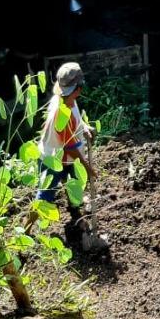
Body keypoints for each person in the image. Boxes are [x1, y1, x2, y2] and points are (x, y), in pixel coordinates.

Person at [34, 63, 98, 240]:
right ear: (79, 88)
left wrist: (84, 127)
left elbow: (76, 122)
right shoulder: (61, 112)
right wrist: (87, 167)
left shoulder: (68, 100)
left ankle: (75, 210)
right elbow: (69, 146)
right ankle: (27, 229)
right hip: (52, 160)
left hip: (66, 158)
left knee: (73, 184)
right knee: (44, 198)